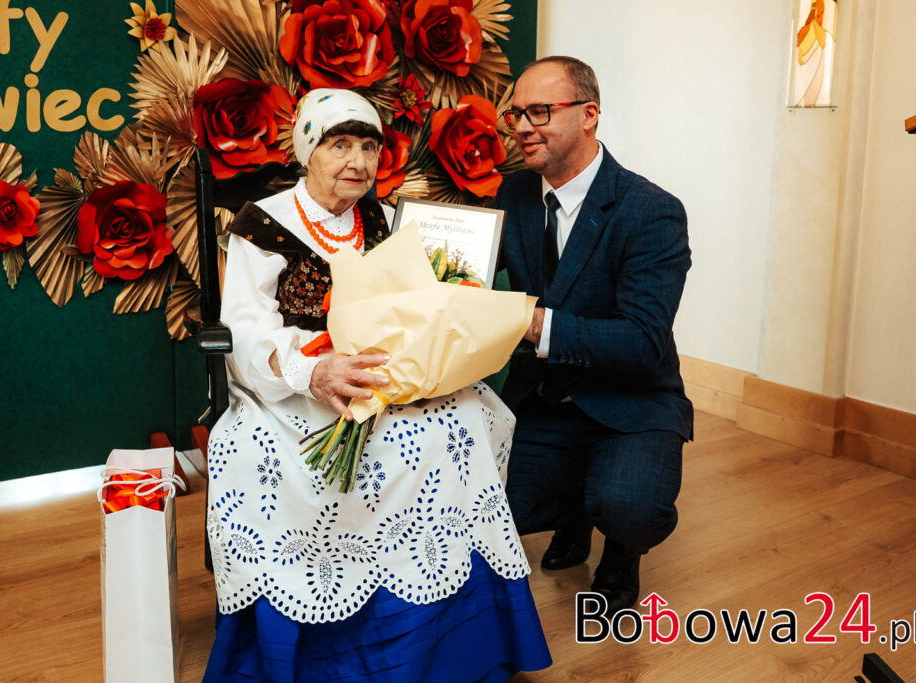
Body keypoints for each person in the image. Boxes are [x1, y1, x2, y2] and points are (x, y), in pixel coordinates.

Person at [202, 88, 551, 682]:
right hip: (295, 382)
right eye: (340, 145)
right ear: (308, 151)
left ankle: (444, 635)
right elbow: (245, 328)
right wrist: (312, 372)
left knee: (469, 419)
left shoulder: (388, 219)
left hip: (384, 374)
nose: (358, 161)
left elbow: (418, 304)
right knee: (261, 453)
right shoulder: (263, 225)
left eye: (369, 147)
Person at [495, 57, 692, 616]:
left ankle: (622, 551)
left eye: (539, 111)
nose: (522, 126)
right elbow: (466, 273)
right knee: (489, 506)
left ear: (589, 115)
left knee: (631, 508)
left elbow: (642, 341)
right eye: (516, 114)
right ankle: (576, 512)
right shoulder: (512, 195)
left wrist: (534, 323)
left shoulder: (652, 211)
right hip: (546, 399)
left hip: (629, 402)